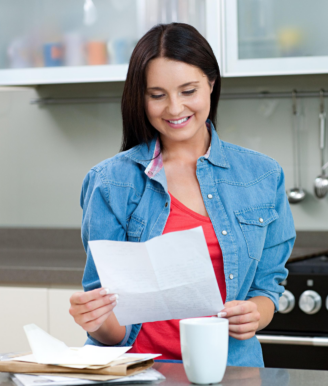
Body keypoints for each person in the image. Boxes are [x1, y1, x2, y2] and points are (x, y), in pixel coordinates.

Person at [69, 23, 295, 367]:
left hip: (229, 371)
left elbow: (267, 288)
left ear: (211, 84)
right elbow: (111, 326)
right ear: (140, 98)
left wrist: (256, 314)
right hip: (137, 373)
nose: (174, 109)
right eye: (157, 95)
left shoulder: (263, 176)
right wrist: (95, 320)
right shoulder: (111, 182)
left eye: (188, 90)